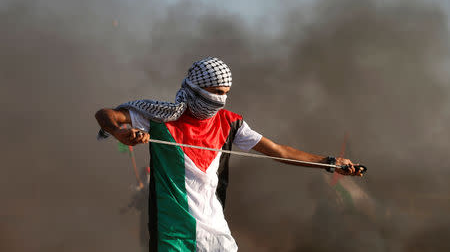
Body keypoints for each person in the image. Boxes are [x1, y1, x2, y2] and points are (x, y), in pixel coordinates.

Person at [95, 57, 364, 252]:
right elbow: (106, 115)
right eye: (213, 94)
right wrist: (120, 133)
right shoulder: (158, 118)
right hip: (173, 237)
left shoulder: (230, 123)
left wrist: (330, 163)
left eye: (224, 95)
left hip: (217, 235)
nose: (219, 101)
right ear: (194, 89)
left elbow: (280, 152)